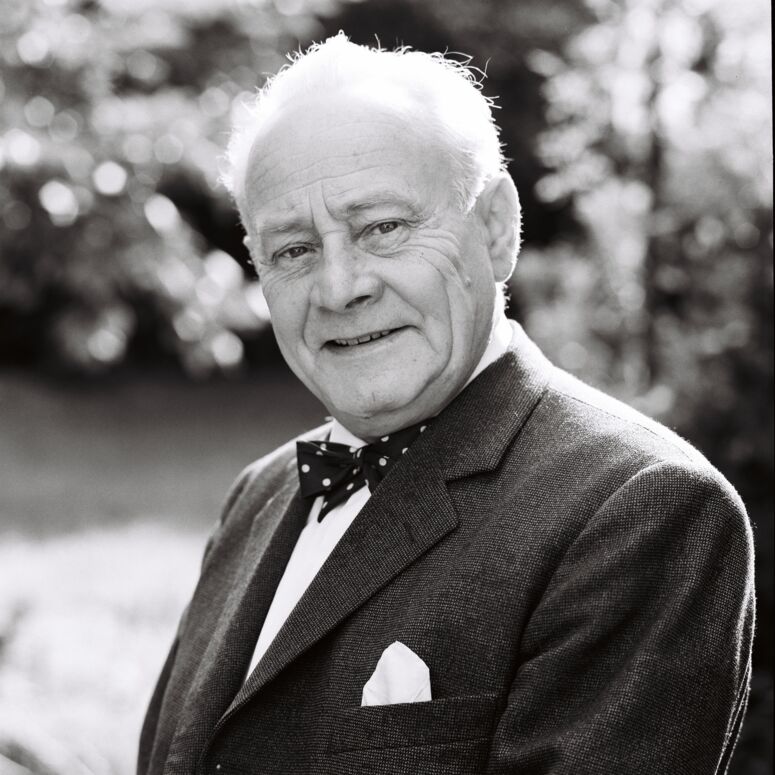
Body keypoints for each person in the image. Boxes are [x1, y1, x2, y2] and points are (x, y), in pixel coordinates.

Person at [137, 35, 755, 775]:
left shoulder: (637, 506)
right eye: (294, 249)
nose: (340, 288)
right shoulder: (259, 495)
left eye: (383, 228)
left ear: (495, 227)